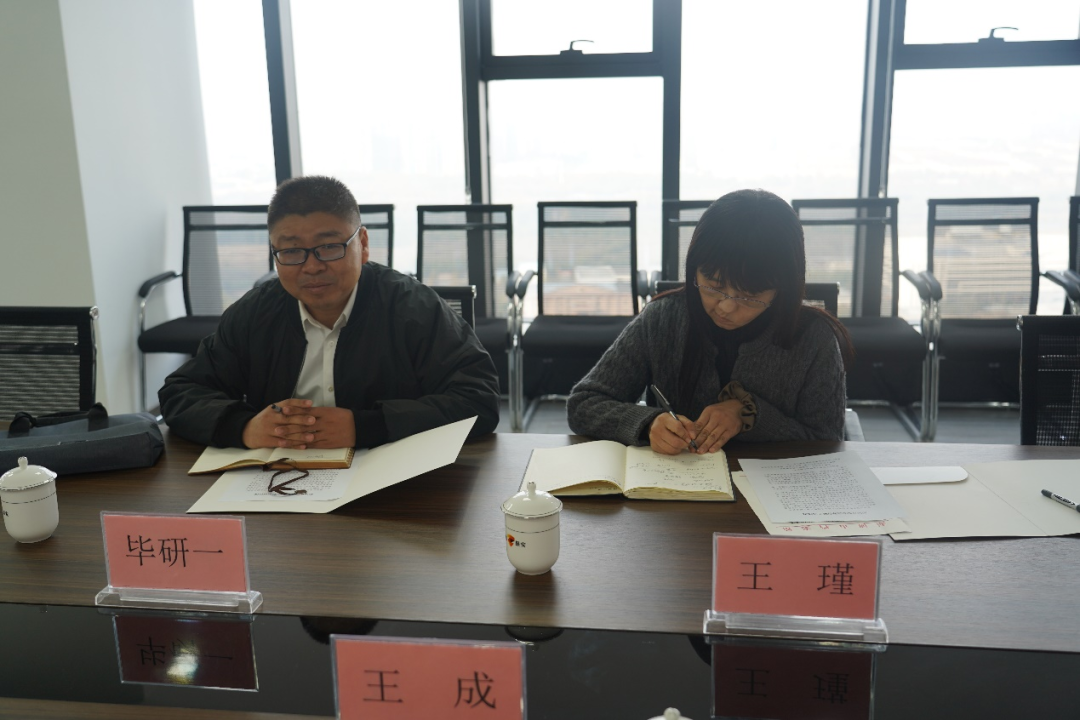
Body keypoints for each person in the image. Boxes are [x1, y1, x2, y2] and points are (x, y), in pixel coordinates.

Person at [159, 176, 500, 449]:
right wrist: (244, 427)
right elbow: (181, 392)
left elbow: (478, 400)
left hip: (393, 486)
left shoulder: (414, 308)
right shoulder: (254, 313)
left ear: (362, 244)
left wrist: (365, 426)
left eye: (329, 247)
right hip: (277, 485)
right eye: (291, 251)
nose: (311, 266)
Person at [567, 189, 851, 455]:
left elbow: (828, 441)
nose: (725, 306)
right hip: (676, 484)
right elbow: (584, 403)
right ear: (694, 268)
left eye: (749, 296)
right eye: (713, 285)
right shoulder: (663, 319)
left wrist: (748, 414)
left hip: (774, 487)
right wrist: (648, 422)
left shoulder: (815, 339)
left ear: (783, 288)